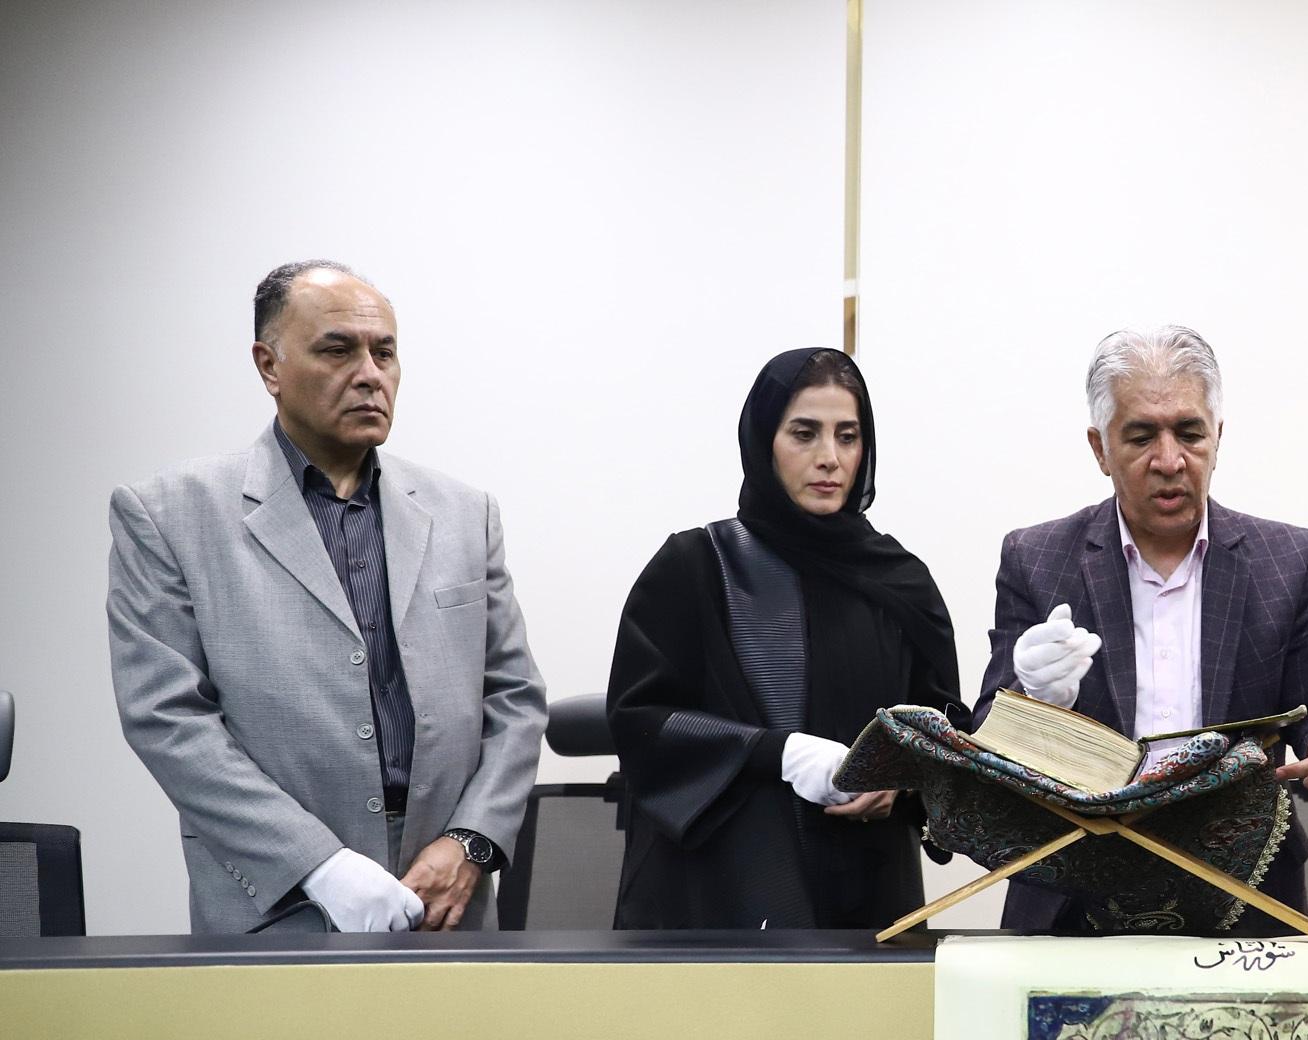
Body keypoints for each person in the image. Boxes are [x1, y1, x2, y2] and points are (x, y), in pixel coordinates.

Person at [108, 261, 547, 934]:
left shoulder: (465, 513)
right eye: (338, 350)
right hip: (279, 904)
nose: (369, 374)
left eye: (384, 353)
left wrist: (472, 842)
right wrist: (317, 865)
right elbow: (168, 718)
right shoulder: (169, 514)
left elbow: (514, 698)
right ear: (269, 366)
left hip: (445, 899)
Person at [975, 325, 1308, 933]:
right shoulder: (1037, 559)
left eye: (1189, 433)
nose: (1170, 461)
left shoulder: (1288, 560)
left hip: (1244, 897)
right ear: (1100, 448)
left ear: (1218, 436)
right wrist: (1033, 699)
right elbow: (984, 736)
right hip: (1072, 897)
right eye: (1141, 437)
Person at [608, 348, 961, 929]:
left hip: (870, 896)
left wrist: (901, 783)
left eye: (847, 437)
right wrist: (781, 754)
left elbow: (944, 733)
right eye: (804, 433)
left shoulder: (901, 582)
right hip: (727, 895)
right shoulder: (699, 566)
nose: (829, 458)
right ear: (762, 440)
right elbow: (641, 721)